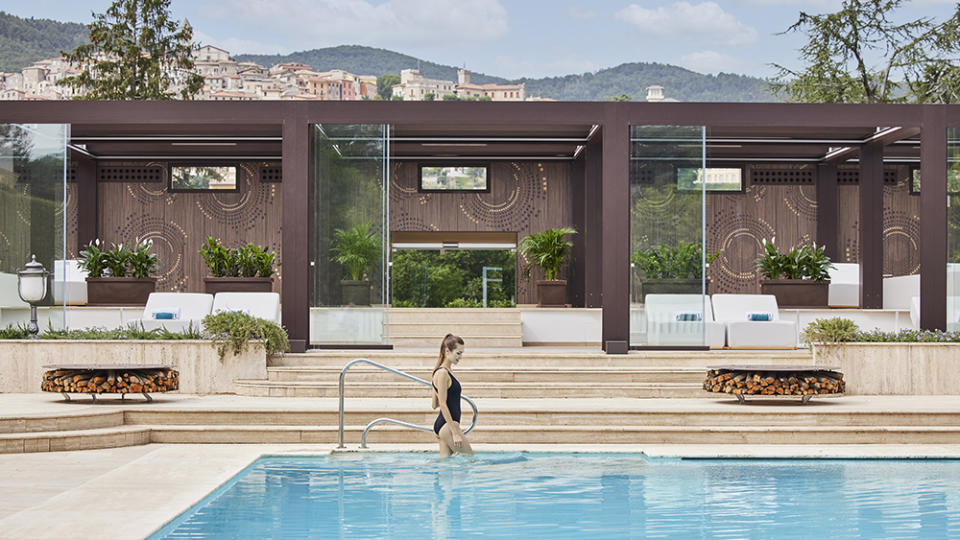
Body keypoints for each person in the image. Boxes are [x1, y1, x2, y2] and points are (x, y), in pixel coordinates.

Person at [432, 333, 473, 457]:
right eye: (458, 353)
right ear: (447, 351)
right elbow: (443, 405)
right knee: (469, 460)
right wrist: (455, 432)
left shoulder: (438, 372)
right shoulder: (443, 373)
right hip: (448, 427)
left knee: (446, 468)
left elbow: (434, 404)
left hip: (443, 426)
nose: (460, 357)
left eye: (462, 354)